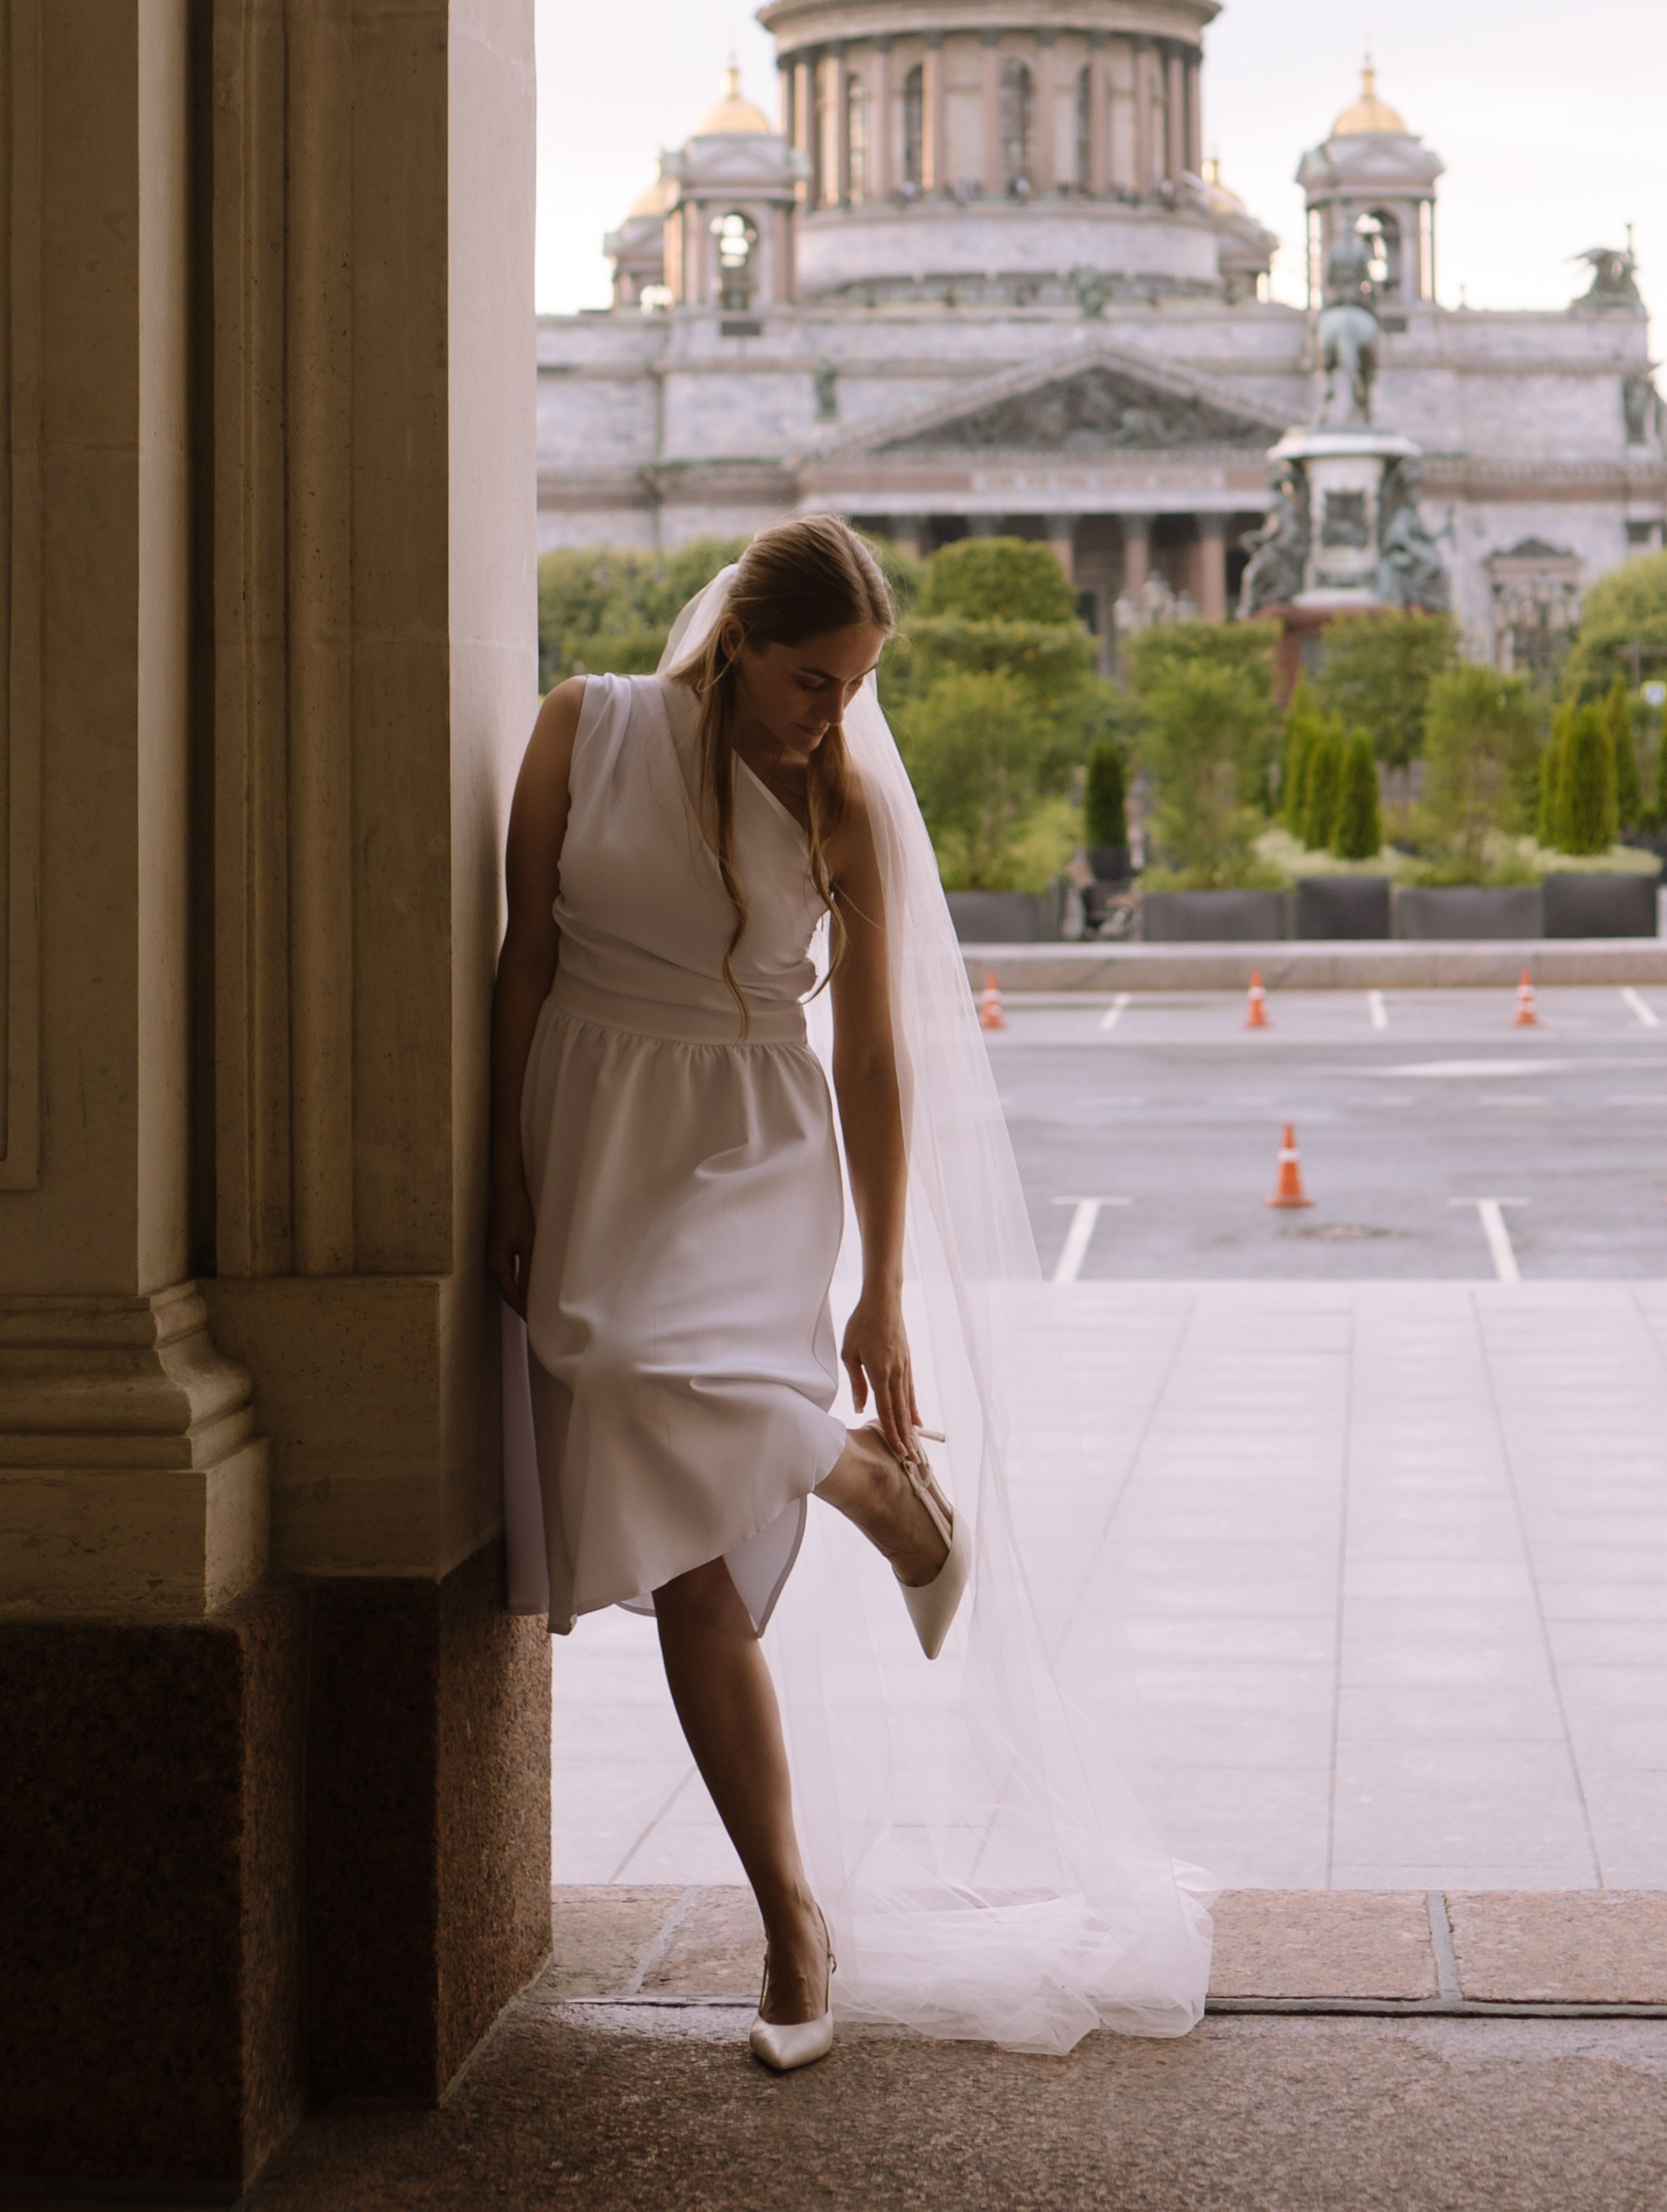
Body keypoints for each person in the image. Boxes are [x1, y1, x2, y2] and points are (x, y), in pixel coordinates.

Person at [491, 514, 1212, 2070]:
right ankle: (794, 1920)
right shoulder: (583, 724)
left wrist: (884, 1291)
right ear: (740, 637)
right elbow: (522, 968)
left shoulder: (847, 813)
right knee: (684, 1557)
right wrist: (501, 1174)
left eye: (859, 682)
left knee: (643, 1387)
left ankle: (861, 1474)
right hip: (593, 1133)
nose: (838, 711)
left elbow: (875, 1061)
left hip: (752, 1148)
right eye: (817, 679)